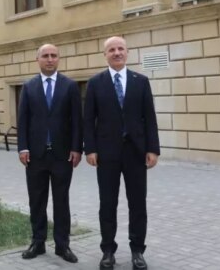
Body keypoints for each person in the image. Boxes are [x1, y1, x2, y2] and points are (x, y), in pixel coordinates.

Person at [83, 36, 160, 270]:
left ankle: (138, 250)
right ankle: (108, 250)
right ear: (105, 54)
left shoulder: (141, 81)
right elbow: (89, 119)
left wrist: (153, 149)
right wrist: (91, 149)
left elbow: (149, 118)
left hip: (136, 153)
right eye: (111, 50)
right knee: (107, 203)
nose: (117, 53)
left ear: (127, 52)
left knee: (138, 203)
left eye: (120, 49)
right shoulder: (95, 83)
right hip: (106, 154)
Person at [17, 44, 82, 263]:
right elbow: (23, 120)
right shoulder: (28, 87)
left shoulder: (70, 86)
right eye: (45, 56)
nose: (50, 59)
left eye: (54, 55)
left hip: (63, 155)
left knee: (61, 201)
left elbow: (77, 121)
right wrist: (23, 147)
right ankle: (38, 242)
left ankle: (63, 246)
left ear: (59, 59)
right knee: (37, 201)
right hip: (35, 156)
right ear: (38, 59)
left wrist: (76, 148)